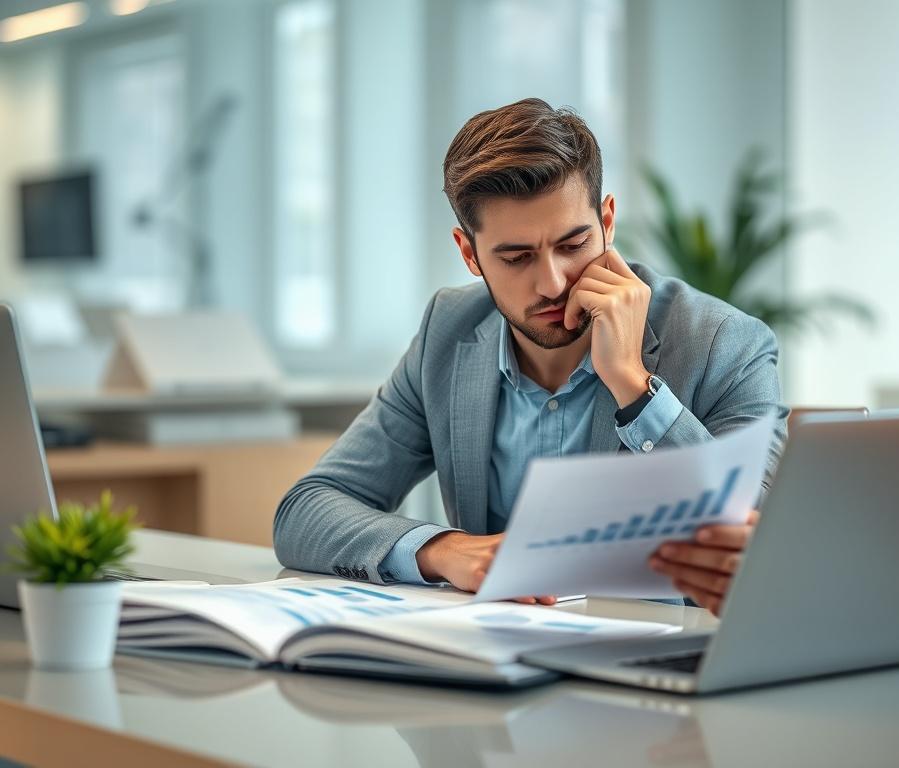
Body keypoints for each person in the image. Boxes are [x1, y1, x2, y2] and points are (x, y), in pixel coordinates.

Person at [274, 98, 788, 616]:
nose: (553, 283)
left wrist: (634, 385)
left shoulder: (726, 343)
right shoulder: (448, 333)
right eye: (517, 257)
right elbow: (307, 510)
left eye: (573, 243)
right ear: (469, 253)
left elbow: (763, 552)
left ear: (607, 221)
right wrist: (444, 550)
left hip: (659, 671)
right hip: (494, 666)